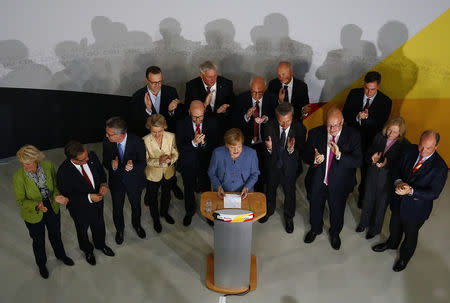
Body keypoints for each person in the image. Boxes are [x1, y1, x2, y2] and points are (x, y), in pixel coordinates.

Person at [372, 130, 447, 272]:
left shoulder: (440, 167)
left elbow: (434, 193)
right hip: (398, 200)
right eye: (421, 145)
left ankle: (404, 258)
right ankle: (392, 243)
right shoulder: (410, 150)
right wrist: (399, 181)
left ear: (436, 147)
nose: (423, 151)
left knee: (410, 236)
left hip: (416, 209)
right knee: (394, 226)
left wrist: (411, 191)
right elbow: (396, 169)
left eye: (428, 148)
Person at [303, 107, 362, 250]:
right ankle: (315, 229)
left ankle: (335, 233)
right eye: (329, 125)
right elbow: (305, 156)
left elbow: (358, 161)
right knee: (315, 206)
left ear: (342, 122)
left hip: (340, 184)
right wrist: (315, 160)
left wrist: (340, 155)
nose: (332, 129)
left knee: (337, 210)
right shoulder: (315, 133)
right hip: (318, 180)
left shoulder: (353, 135)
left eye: (336, 125)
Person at [13, 145, 74, 279]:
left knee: (55, 234)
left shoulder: (48, 166)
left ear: (36, 159)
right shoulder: (18, 177)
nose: (25, 167)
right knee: (38, 240)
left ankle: (61, 255)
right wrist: (36, 205)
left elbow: (55, 187)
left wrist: (57, 196)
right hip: (33, 212)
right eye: (23, 164)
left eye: (28, 163)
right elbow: (21, 201)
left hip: (51, 206)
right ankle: (41, 265)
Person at [130, 65, 184, 200]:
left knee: (170, 165)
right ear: (146, 80)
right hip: (150, 140)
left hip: (167, 138)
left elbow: (178, 118)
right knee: (150, 166)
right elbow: (135, 123)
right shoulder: (137, 96)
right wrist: (147, 111)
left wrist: (172, 111)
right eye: (154, 82)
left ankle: (172, 185)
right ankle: (150, 191)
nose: (157, 85)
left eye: (160, 81)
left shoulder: (171, 91)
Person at [57, 140, 115, 266]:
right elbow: (68, 198)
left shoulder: (91, 156)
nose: (88, 159)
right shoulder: (63, 172)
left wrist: (104, 184)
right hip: (80, 210)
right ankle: (88, 251)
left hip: (98, 203)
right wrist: (89, 197)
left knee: (99, 225)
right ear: (73, 159)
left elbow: (100, 172)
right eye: (83, 159)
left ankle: (101, 245)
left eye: (87, 155)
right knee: (82, 231)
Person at [342, 71, 392, 207]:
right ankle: (345, 192)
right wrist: (358, 117)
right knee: (347, 168)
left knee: (366, 173)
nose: (368, 92)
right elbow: (345, 115)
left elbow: (381, 124)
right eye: (366, 88)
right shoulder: (354, 93)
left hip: (370, 143)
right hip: (351, 141)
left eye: (372, 89)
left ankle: (362, 197)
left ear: (378, 86)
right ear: (363, 84)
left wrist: (367, 118)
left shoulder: (386, 101)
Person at [356, 117, 407, 239]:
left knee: (381, 205)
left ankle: (374, 230)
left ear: (400, 132)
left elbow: (399, 165)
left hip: (387, 179)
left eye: (395, 132)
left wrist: (386, 163)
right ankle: (363, 223)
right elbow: (368, 152)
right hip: (372, 174)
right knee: (367, 200)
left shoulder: (404, 145)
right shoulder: (379, 136)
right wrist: (371, 158)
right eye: (389, 130)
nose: (390, 134)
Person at [260, 103, 306, 233]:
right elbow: (264, 151)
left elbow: (302, 150)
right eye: (282, 122)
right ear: (276, 118)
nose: (285, 125)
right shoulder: (269, 126)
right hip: (273, 166)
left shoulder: (300, 128)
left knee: (290, 193)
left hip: (290, 168)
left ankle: (289, 216)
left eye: (288, 121)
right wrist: (269, 149)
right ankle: (269, 211)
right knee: (270, 190)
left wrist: (292, 150)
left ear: (292, 117)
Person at [102, 117, 147, 244]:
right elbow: (104, 161)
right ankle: (120, 230)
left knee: (136, 206)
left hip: (134, 181)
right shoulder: (107, 141)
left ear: (120, 135)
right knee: (117, 208)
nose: (106, 135)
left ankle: (137, 225)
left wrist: (133, 167)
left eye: (109, 134)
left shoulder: (137, 141)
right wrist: (111, 165)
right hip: (116, 182)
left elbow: (143, 163)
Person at [176, 100, 219, 226]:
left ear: (204, 112)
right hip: (188, 163)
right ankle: (189, 211)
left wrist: (204, 143)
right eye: (194, 117)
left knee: (206, 189)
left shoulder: (212, 122)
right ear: (189, 112)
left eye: (200, 116)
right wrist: (194, 143)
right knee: (188, 188)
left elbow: (215, 143)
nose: (198, 120)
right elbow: (179, 146)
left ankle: (208, 213)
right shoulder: (181, 124)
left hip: (205, 163)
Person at [233, 76, 278, 192]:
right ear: (250, 89)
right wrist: (246, 116)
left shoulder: (272, 99)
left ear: (265, 89)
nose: (256, 96)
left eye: (260, 93)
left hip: (264, 143)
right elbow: (234, 123)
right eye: (253, 92)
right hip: (248, 143)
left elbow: (277, 120)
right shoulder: (241, 99)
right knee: (247, 173)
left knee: (263, 173)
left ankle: (260, 197)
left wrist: (266, 118)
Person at [143, 114, 179, 233]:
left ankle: (164, 213)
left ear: (164, 127)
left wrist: (170, 160)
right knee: (153, 198)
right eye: (154, 132)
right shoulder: (145, 140)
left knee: (166, 194)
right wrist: (159, 161)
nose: (157, 135)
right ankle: (156, 219)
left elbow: (175, 153)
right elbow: (146, 160)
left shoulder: (171, 136)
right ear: (149, 128)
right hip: (153, 174)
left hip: (168, 172)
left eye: (160, 131)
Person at [185, 61, 235, 139]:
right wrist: (204, 104)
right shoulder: (192, 86)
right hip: (202, 128)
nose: (213, 79)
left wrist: (225, 110)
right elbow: (189, 110)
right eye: (209, 77)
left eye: (215, 76)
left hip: (222, 127)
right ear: (201, 75)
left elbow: (233, 105)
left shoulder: (226, 84)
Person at [208, 128, 260, 199]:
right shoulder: (217, 153)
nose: (236, 150)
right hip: (222, 193)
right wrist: (218, 187)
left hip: (244, 193)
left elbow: (255, 174)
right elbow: (211, 172)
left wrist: (247, 187)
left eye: (239, 146)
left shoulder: (251, 154)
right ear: (227, 145)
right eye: (232, 147)